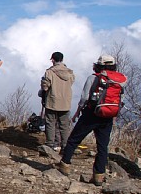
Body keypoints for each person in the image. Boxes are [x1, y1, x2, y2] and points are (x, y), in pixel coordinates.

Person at [57, 55, 125, 186]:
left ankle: (65, 165)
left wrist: (78, 111)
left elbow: (84, 97)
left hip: (91, 114)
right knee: (102, 146)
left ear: (98, 65)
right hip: (108, 116)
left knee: (73, 140)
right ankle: (99, 176)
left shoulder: (93, 78)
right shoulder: (118, 80)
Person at [40, 52, 75, 151]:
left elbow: (45, 87)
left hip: (52, 101)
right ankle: (65, 146)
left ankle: (50, 144)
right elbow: (71, 83)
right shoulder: (70, 73)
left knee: (50, 123)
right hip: (66, 102)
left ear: (53, 60)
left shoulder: (49, 72)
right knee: (64, 125)